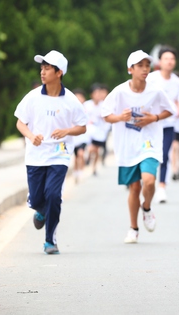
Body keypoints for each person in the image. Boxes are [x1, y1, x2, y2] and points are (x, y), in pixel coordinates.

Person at [14, 50, 88, 254]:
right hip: (35, 156)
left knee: (54, 195)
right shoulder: (33, 97)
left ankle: (50, 240)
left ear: (59, 72)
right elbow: (20, 122)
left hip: (59, 154)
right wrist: (31, 136)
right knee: (38, 199)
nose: (42, 72)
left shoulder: (71, 100)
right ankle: (39, 210)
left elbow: (82, 127)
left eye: (47, 68)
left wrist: (66, 131)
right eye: (42, 68)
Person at [101, 50, 176, 243]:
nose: (144, 69)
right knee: (134, 188)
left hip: (149, 142)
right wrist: (120, 117)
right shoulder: (119, 92)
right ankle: (133, 228)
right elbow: (105, 114)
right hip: (127, 145)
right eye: (140, 66)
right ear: (130, 69)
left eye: (147, 65)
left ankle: (148, 207)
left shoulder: (155, 91)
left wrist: (155, 117)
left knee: (149, 181)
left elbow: (170, 110)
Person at [146, 46, 179, 203]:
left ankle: (161, 187)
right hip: (151, 123)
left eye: (172, 59)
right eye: (166, 59)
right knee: (150, 154)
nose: (169, 61)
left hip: (168, 123)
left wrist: (178, 109)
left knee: (165, 155)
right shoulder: (151, 78)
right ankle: (147, 182)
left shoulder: (177, 82)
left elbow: (174, 100)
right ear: (159, 61)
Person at [84, 83, 110, 175]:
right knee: (91, 148)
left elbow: (107, 118)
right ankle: (88, 157)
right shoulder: (87, 104)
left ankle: (94, 168)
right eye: (96, 93)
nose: (98, 96)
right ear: (92, 94)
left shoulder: (104, 105)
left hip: (100, 131)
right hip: (89, 130)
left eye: (99, 93)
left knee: (97, 150)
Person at [72, 88, 90, 183]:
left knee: (81, 154)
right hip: (74, 137)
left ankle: (81, 171)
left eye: (80, 97)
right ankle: (76, 171)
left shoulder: (86, 108)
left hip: (83, 136)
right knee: (76, 157)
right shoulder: (71, 108)